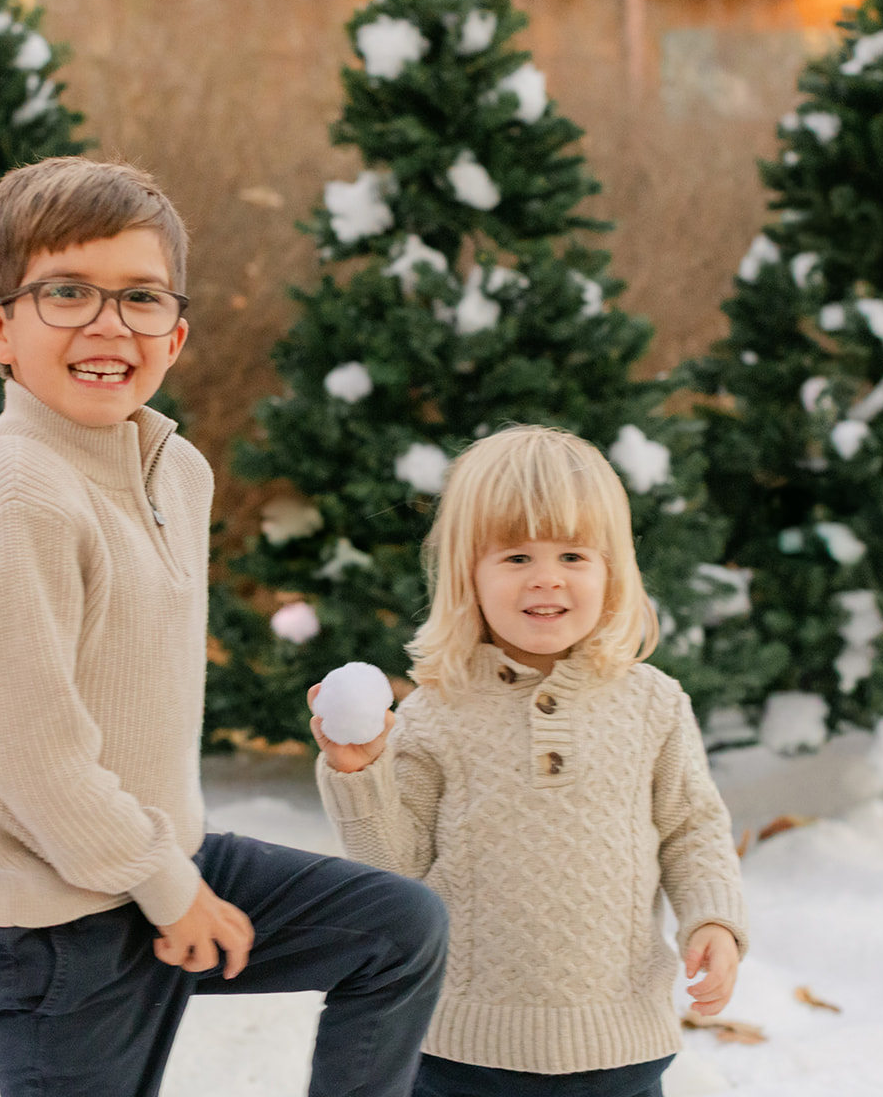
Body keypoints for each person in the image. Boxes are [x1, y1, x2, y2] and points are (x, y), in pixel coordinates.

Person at [0, 156, 448, 1097]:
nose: (109, 324)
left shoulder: (172, 469)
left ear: (177, 333)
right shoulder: (22, 496)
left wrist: (167, 871)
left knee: (398, 931)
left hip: (153, 863)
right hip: (51, 925)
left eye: (141, 298)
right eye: (67, 292)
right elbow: (35, 756)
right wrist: (168, 888)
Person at [310, 424, 748, 1097]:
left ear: (612, 570)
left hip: (620, 1049)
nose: (547, 578)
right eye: (516, 557)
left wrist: (713, 918)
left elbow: (693, 827)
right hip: (461, 1052)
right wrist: (355, 771)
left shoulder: (653, 704)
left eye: (574, 555)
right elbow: (395, 870)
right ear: (469, 575)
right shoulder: (437, 712)